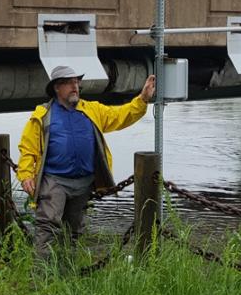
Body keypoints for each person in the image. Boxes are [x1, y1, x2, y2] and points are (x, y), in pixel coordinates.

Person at [17, 65, 155, 259]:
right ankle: (42, 278)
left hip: (83, 182)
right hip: (54, 180)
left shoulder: (92, 110)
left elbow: (120, 116)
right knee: (47, 225)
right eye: (69, 83)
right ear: (57, 88)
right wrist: (25, 175)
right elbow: (28, 148)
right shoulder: (42, 115)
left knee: (74, 231)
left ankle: (67, 273)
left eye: (76, 82)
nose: (75, 87)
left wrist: (142, 99)